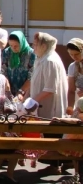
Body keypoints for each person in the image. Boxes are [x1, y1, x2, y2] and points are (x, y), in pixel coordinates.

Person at [29, 32, 69, 175]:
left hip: (50, 105)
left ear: (44, 46)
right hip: (42, 104)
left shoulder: (50, 60)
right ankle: (53, 164)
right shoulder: (42, 58)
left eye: (35, 44)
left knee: (52, 134)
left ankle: (56, 165)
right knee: (47, 134)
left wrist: (33, 101)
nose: (33, 47)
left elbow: (50, 89)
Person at [54, 97, 83, 184]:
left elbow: (73, 121)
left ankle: (78, 176)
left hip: (77, 146)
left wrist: (60, 119)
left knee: (76, 153)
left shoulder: (80, 117)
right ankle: (78, 177)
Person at [1, 31, 36, 96]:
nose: (13, 48)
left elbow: (32, 76)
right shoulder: (7, 52)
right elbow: (3, 71)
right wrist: (7, 88)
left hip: (26, 91)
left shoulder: (31, 54)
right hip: (9, 89)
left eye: (16, 46)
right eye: (11, 45)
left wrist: (21, 91)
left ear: (22, 43)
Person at [65, 38, 83, 116]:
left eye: (76, 54)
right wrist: (70, 107)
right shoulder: (72, 67)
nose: (74, 57)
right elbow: (71, 90)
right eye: (71, 54)